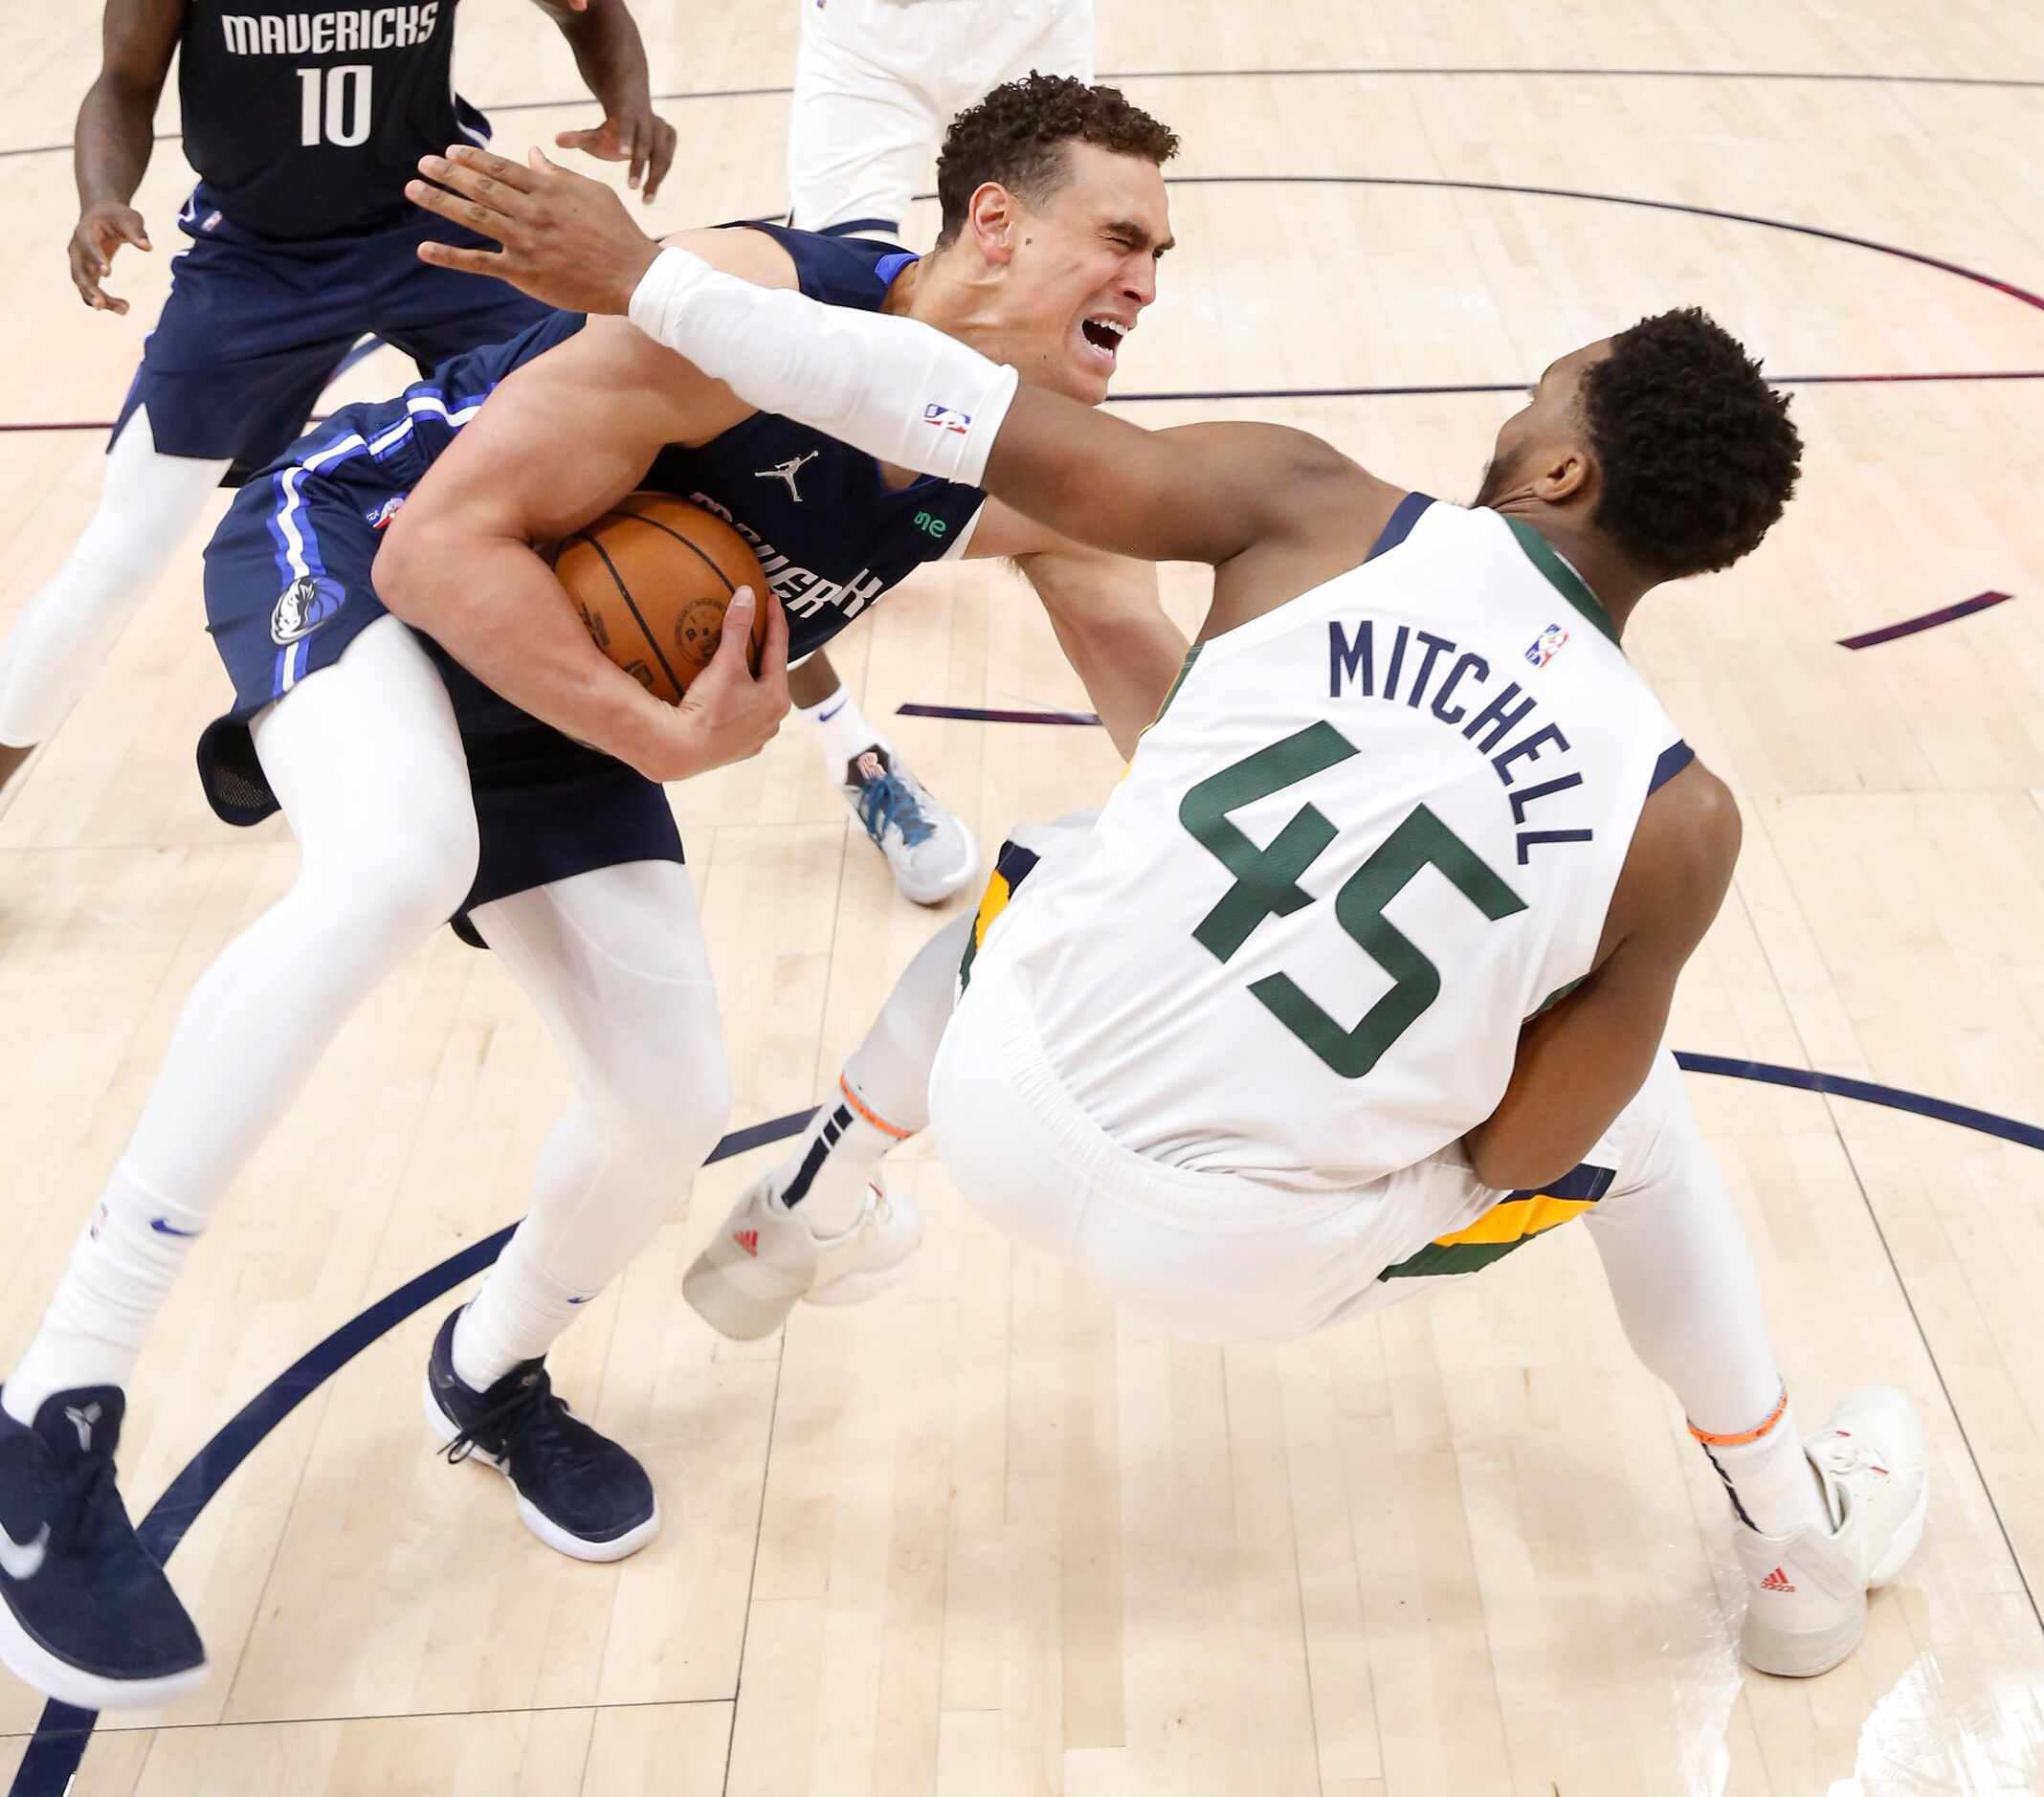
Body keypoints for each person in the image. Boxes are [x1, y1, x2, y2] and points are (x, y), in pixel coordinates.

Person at [411, 148, 1931, 1683]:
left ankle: (802, 1209)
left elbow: (935, 408)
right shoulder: (1679, 819)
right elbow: (1521, 1152)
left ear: (1560, 475)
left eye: (1539, 397)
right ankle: (1792, 1542)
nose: (1510, 415)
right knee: (1644, 1122)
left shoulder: (1313, 506)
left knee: (1060, 872)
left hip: (997, 1109)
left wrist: (649, 278)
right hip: (1251, 1261)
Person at [0, 73, 1184, 1713]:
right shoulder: (743, 310)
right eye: (1119, 236)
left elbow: (1165, 712)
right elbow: (434, 556)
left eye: (1160, 251)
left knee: (665, 1098)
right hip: (367, 550)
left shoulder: (1026, 465)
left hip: (552, 672)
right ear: (996, 222)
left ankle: (485, 1373)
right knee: (397, 858)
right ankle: (53, 1403)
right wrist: (659, 737)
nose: (1145, 276)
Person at [0, 0, 678, 799]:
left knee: (639, 425)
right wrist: (100, 197)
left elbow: (586, 11)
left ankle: (834, 733)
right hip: (256, 262)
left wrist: (626, 102)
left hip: (438, 221)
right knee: (122, 550)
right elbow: (124, 80)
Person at [779, 0, 1098, 904]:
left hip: (1031, 24)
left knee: (1070, 477)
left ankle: (1198, 815)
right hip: (872, 29)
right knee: (831, 358)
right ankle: (853, 747)